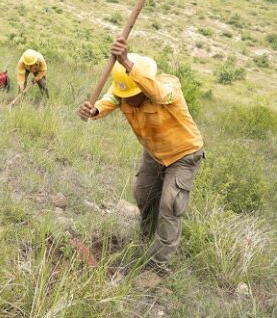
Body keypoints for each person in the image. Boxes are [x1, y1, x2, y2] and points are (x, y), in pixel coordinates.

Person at [79, 38, 204, 272]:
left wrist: (127, 62)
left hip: (183, 154)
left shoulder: (167, 87)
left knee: (171, 203)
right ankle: (147, 238)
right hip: (154, 153)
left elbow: (159, 95)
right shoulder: (122, 92)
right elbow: (108, 101)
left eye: (133, 95)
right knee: (143, 194)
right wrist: (93, 110)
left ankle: (159, 264)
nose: (129, 100)